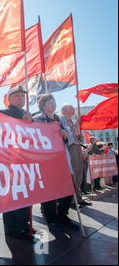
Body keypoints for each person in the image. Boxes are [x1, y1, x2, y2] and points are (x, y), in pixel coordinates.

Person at [33, 94, 79, 232]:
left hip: (62, 159)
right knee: (50, 191)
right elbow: (35, 138)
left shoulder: (60, 120)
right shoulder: (37, 119)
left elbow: (70, 139)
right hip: (47, 160)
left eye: (53, 102)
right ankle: (51, 218)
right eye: (49, 102)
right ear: (43, 105)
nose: (52, 104)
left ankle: (63, 216)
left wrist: (65, 134)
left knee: (68, 187)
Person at [0, 85, 35, 241]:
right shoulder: (3, 113)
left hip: (26, 161)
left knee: (26, 195)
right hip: (11, 161)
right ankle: (13, 229)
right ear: (9, 99)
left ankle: (24, 224)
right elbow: (5, 134)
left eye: (22, 95)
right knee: (13, 196)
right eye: (17, 96)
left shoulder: (27, 114)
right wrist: (24, 122)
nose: (21, 98)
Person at [60, 104, 92, 206]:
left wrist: (79, 137)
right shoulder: (62, 120)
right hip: (70, 148)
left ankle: (79, 197)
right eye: (71, 108)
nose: (74, 110)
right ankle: (73, 199)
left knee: (79, 173)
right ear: (65, 110)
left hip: (77, 147)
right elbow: (67, 134)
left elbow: (74, 134)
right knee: (73, 173)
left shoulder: (72, 121)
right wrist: (77, 123)